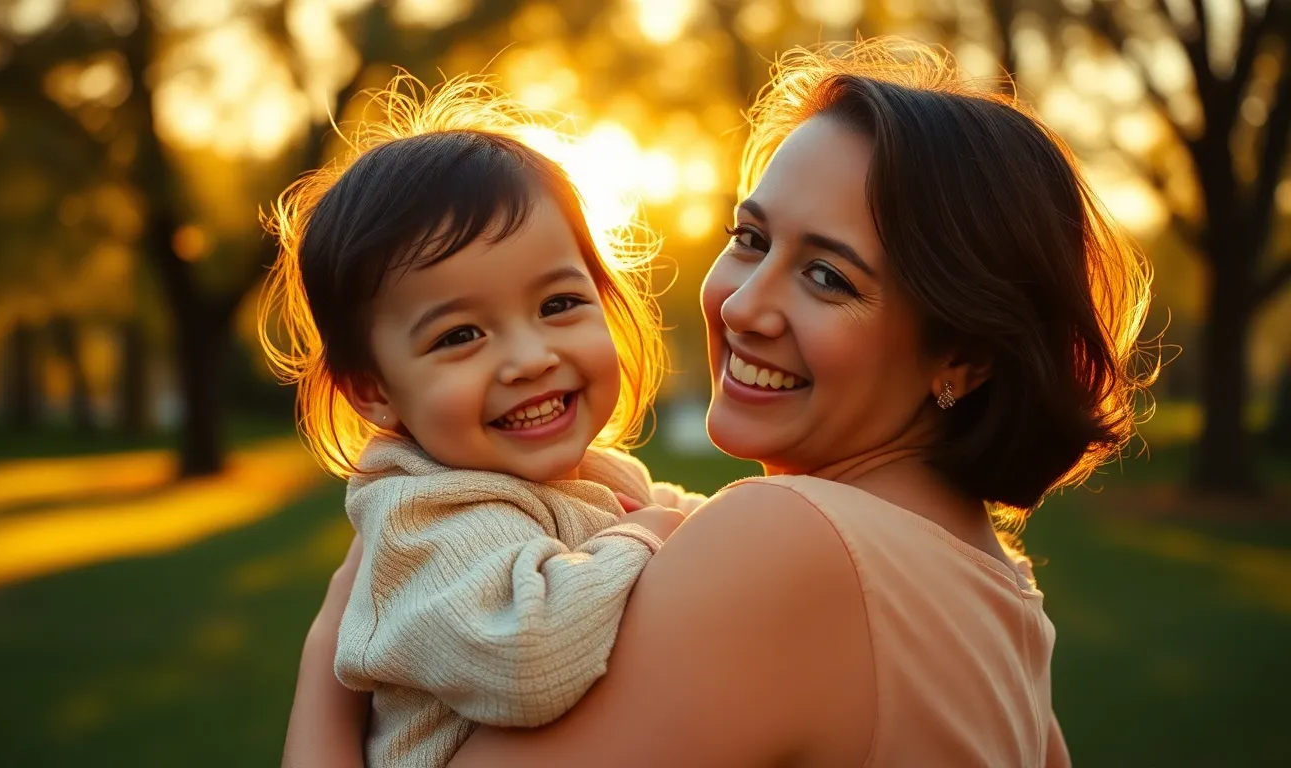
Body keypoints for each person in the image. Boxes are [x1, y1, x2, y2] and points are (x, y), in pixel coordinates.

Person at [283, 37, 1153, 767]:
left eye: (827, 275)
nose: (740, 306)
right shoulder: (1006, 604)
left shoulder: (786, 541)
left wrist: (330, 652)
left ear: (961, 351)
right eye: (750, 238)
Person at [260, 75, 703, 768]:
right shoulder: (428, 520)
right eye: (460, 335)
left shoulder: (595, 476)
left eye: (558, 305)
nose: (529, 359)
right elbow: (531, 657)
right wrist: (644, 537)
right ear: (375, 390)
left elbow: (700, 525)